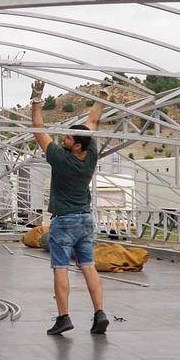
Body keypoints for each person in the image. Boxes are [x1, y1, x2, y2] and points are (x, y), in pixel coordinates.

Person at [30, 81, 109, 336]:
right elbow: (94, 121)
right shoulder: (91, 152)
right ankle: (99, 314)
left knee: (60, 268)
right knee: (88, 266)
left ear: (76, 145)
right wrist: (103, 97)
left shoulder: (60, 158)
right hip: (85, 220)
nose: (62, 139)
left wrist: (36, 100)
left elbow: (38, 129)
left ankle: (63, 317)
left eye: (67, 137)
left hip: (63, 221)